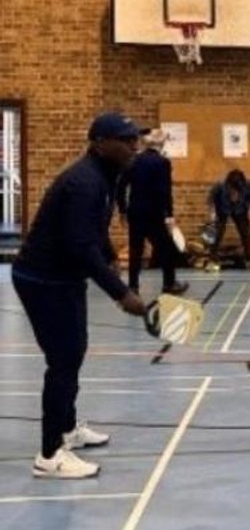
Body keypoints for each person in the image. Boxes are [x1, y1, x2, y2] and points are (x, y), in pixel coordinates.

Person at [11, 112, 149, 479]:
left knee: (74, 352)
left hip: (63, 279)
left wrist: (108, 256)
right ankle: (49, 454)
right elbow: (79, 246)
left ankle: (68, 430)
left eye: (135, 138)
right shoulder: (84, 182)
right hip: (42, 280)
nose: (134, 145)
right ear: (100, 143)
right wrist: (121, 293)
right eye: (126, 139)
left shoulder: (106, 176)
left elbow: (96, 230)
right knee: (64, 361)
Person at [117, 128, 188, 296]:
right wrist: (169, 215)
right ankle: (169, 284)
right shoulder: (162, 162)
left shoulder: (133, 160)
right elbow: (165, 191)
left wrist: (122, 210)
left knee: (136, 249)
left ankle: (133, 286)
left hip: (135, 211)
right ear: (160, 143)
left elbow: (120, 186)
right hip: (154, 213)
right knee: (167, 249)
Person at [207, 169, 250, 268]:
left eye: (237, 191)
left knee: (245, 234)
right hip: (222, 208)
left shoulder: (248, 185)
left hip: (240, 209)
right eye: (232, 190)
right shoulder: (220, 185)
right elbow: (211, 199)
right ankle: (212, 260)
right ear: (228, 185)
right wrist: (212, 212)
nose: (235, 193)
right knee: (217, 234)